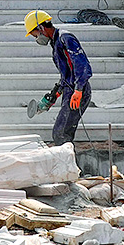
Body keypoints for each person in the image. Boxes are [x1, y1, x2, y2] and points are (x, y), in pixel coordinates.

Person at [24, 9, 92, 145]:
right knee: (62, 133)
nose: (36, 39)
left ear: (41, 27)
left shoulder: (65, 38)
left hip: (78, 90)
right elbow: (67, 73)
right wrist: (55, 94)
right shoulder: (55, 43)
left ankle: (67, 164)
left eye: (35, 35)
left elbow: (81, 65)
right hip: (70, 90)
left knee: (61, 133)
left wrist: (78, 91)